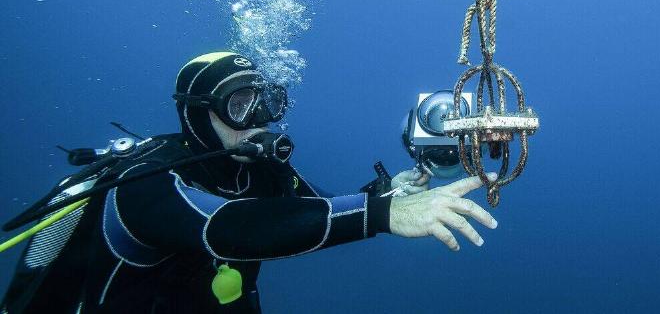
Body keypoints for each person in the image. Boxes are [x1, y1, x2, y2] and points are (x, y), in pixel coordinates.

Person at [1, 52, 498, 313]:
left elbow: (311, 212)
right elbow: (226, 226)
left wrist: (389, 195)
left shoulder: (261, 171)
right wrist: (382, 216)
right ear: (197, 116)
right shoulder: (142, 186)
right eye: (240, 105)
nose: (259, 120)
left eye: (268, 102)